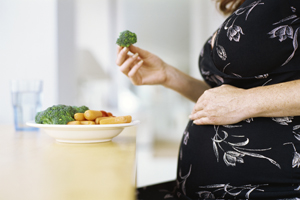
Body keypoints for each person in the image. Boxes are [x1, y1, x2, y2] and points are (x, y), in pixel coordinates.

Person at [116, 0, 300, 199]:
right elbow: (223, 100)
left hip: (273, 190)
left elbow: (238, 102)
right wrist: (168, 75)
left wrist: (244, 101)